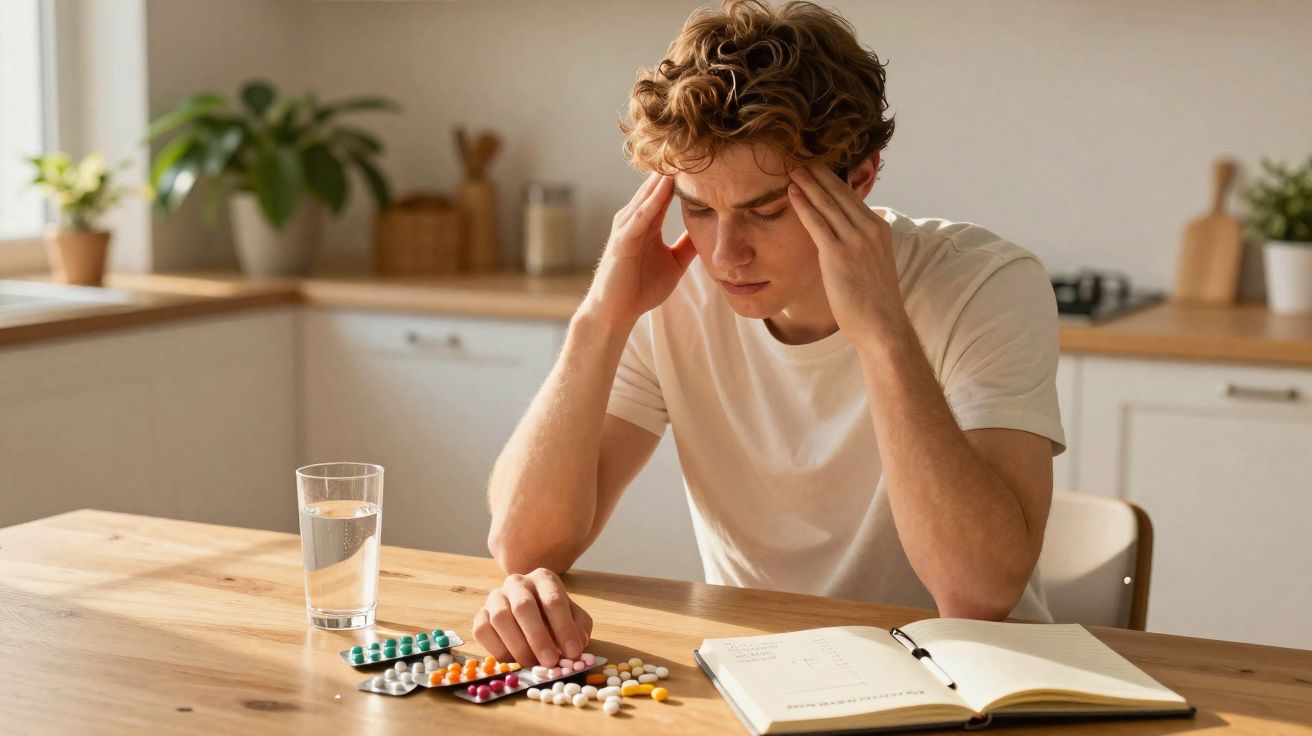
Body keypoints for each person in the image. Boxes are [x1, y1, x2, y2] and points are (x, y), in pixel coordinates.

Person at [473, 0, 1066, 668]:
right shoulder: (674, 291)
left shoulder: (985, 285)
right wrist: (599, 322)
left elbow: (977, 592)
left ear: (861, 178)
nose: (726, 255)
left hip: (967, 678)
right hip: (763, 673)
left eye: (767, 210)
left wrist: (882, 333)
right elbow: (524, 546)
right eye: (698, 209)